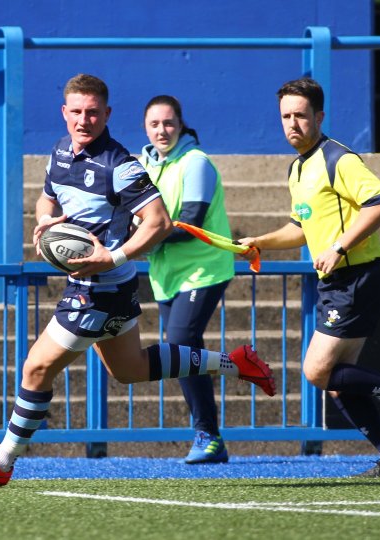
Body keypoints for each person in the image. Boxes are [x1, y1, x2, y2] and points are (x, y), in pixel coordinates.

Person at [0, 74, 275, 486]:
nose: (84, 120)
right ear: (64, 113)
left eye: (93, 112)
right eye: (77, 112)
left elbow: (158, 223)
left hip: (101, 289)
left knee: (36, 368)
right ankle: (235, 363)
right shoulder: (59, 153)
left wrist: (112, 255)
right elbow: (47, 197)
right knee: (131, 369)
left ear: (107, 114)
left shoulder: (120, 165)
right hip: (97, 287)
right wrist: (44, 221)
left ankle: (2, 461)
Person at [238, 77, 380, 477]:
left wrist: (339, 247)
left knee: (316, 371)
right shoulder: (298, 169)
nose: (292, 123)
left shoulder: (338, 158)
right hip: (338, 282)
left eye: (300, 115)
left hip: (358, 276)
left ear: (319, 116)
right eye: (285, 116)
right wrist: (261, 240)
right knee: (336, 383)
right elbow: (301, 227)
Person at [140, 95, 235, 464]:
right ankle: (211, 434)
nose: (161, 130)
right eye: (154, 124)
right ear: (145, 128)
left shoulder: (196, 163)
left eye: (168, 123)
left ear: (180, 124)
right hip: (167, 272)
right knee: (180, 353)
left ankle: (207, 434)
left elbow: (192, 220)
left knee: (180, 343)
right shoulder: (144, 164)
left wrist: (139, 239)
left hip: (205, 266)